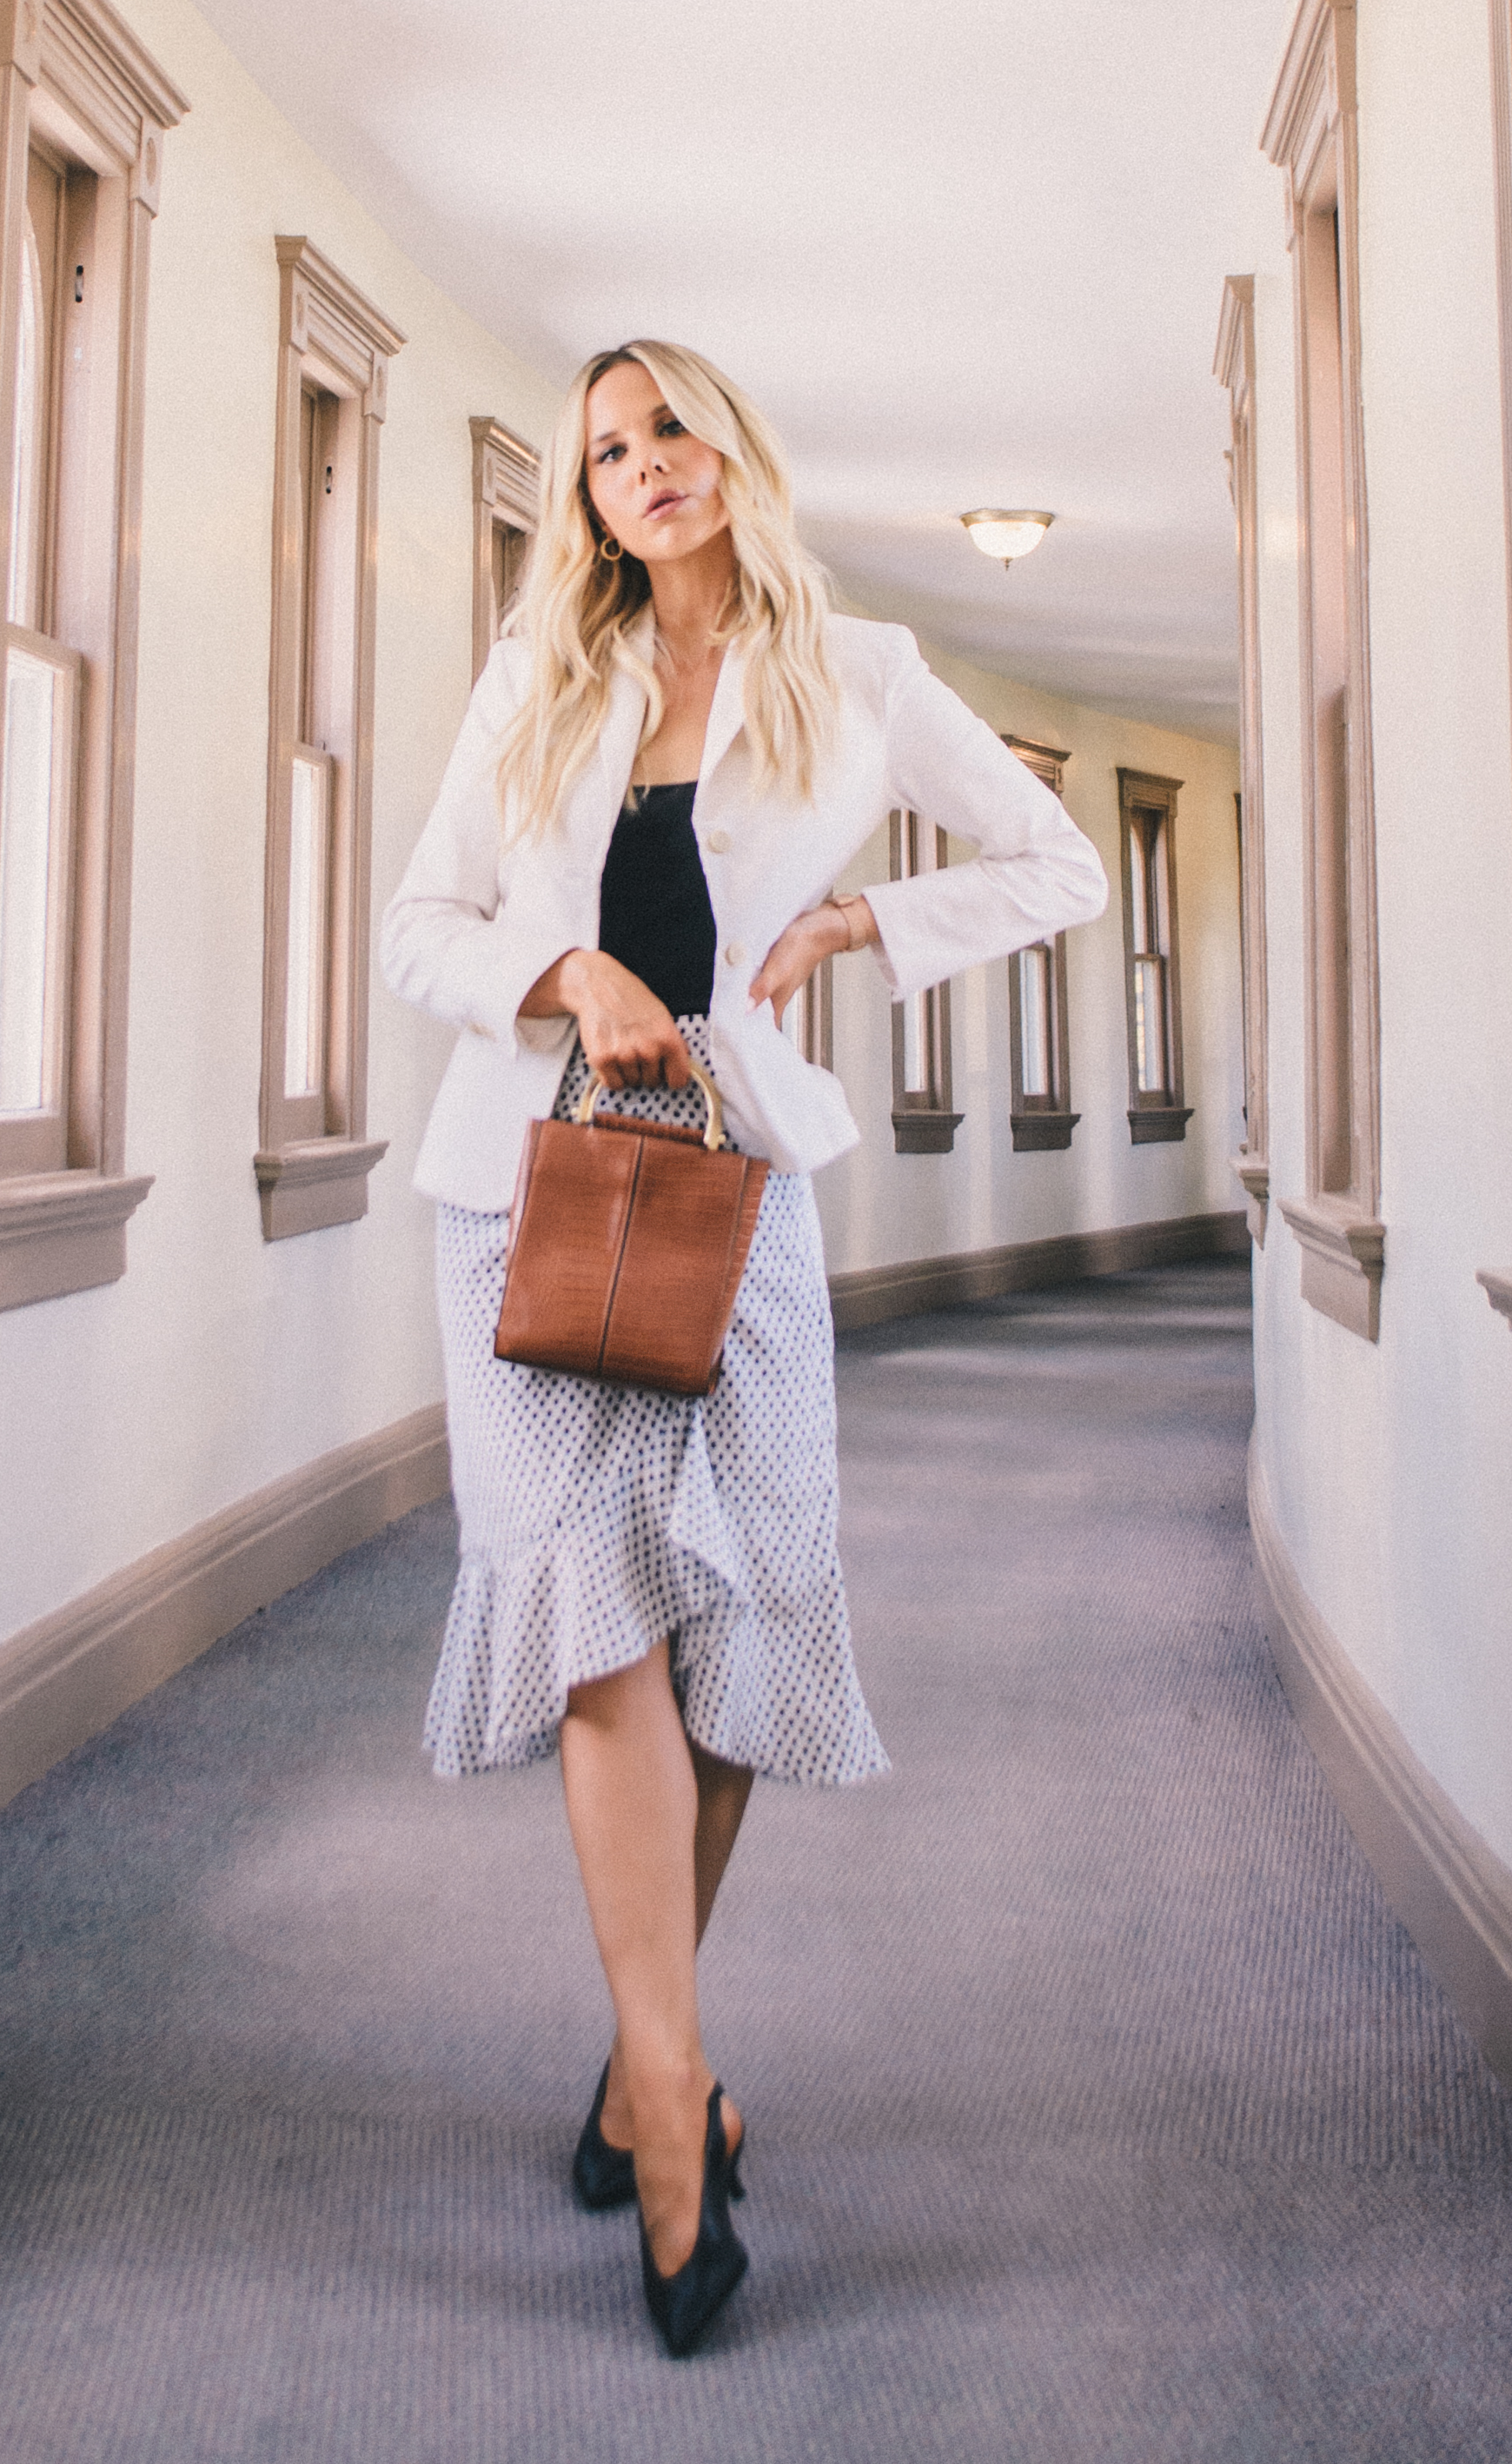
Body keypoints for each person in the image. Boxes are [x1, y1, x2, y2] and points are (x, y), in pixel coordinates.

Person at [381, 342, 1107, 2354]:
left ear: (732, 446)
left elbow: (1057, 864)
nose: (643, 468)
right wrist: (561, 967)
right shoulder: (537, 680)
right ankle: (680, 2143)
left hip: (742, 1199)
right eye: (606, 451)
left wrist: (865, 930)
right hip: (519, 1201)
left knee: (739, 1626)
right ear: (586, 499)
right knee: (598, 1628)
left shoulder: (860, 671)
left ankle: (640, 2058)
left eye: (668, 426)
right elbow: (420, 924)